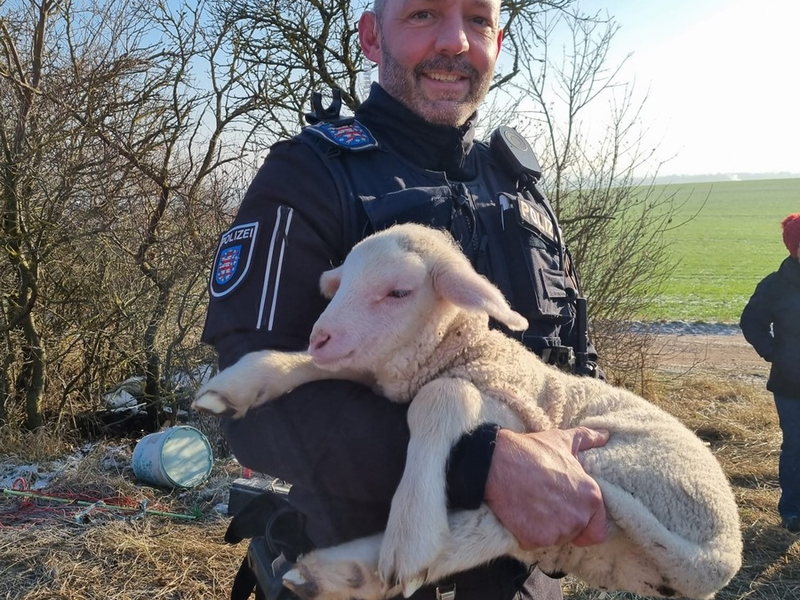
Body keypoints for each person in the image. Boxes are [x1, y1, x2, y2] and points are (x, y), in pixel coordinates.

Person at [201, 0, 610, 597]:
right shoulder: (312, 176)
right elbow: (255, 409)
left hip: (524, 578)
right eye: (422, 15)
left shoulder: (518, 187)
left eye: (478, 19)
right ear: (371, 36)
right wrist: (482, 465)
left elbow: (579, 370)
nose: (456, 42)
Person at [740, 213, 800, 534]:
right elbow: (751, 322)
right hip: (791, 385)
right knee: (795, 445)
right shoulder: (775, 286)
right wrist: (776, 353)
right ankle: (792, 510)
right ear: (795, 248)